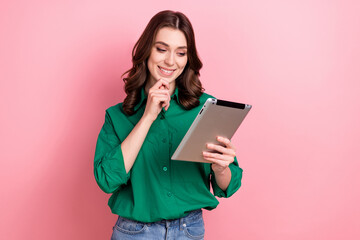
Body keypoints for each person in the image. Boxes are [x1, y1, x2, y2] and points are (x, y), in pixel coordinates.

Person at [94, 10, 243, 240]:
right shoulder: (117, 116)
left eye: (181, 52)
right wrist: (147, 118)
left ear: (188, 57)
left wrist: (221, 168)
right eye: (161, 49)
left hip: (189, 231)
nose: (170, 61)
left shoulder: (206, 109)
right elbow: (107, 180)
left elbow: (228, 186)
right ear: (146, 51)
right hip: (135, 233)